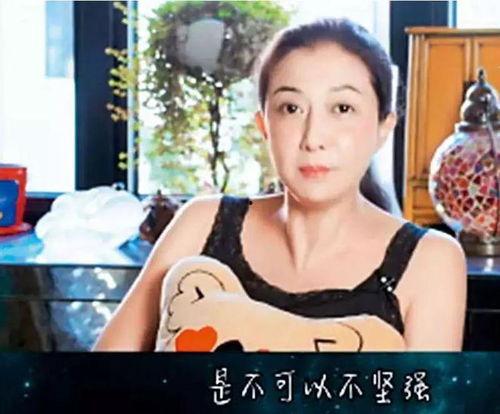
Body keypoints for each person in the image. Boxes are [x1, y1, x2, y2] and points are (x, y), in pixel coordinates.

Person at [93, 18, 467, 352]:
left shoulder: (430, 260)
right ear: (264, 126)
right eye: (291, 108)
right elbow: (95, 385)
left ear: (384, 127)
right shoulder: (202, 224)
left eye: (342, 108)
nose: (313, 137)